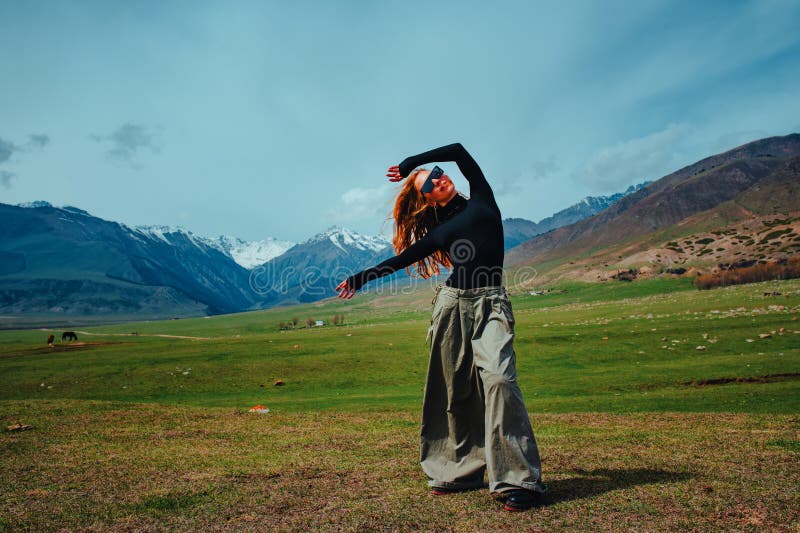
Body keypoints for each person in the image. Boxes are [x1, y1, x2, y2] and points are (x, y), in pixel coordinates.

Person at [335, 143, 546, 512]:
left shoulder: (482, 197)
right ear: (427, 201)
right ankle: (458, 471)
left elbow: (460, 152)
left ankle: (519, 480)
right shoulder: (440, 229)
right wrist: (361, 278)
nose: (438, 179)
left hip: (491, 303)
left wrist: (410, 165)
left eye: (436, 173)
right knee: (452, 390)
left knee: (499, 379)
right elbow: (403, 259)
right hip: (452, 305)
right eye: (428, 184)